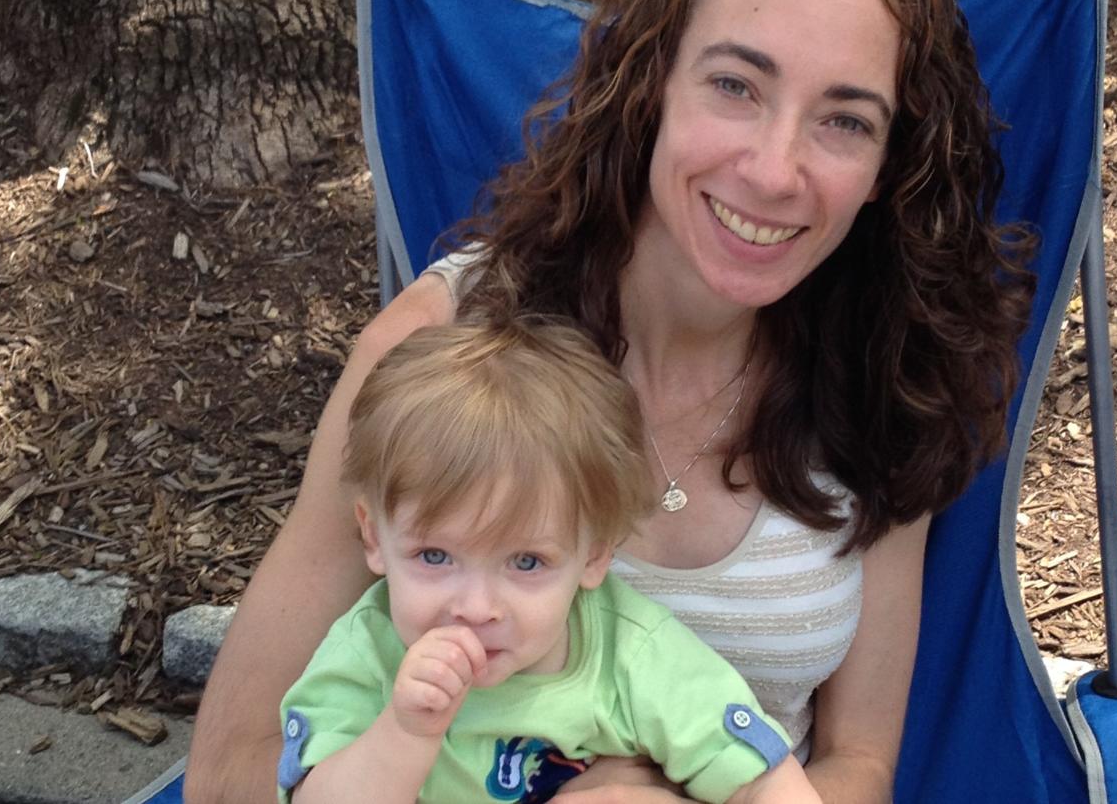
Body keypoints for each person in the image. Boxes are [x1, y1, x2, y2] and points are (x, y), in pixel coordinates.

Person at [187, 0, 1032, 803]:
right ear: (651, 86)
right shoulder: (442, 353)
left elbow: (860, 764)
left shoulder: (883, 385)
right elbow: (230, 770)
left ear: (884, 169)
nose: (773, 169)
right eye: (735, 85)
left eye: (845, 120)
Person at [277, 319, 819, 804]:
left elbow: (764, 780)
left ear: (596, 553)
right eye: (435, 555)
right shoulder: (367, 656)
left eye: (527, 563)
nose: (477, 607)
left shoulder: (630, 655)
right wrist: (405, 733)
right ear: (373, 536)